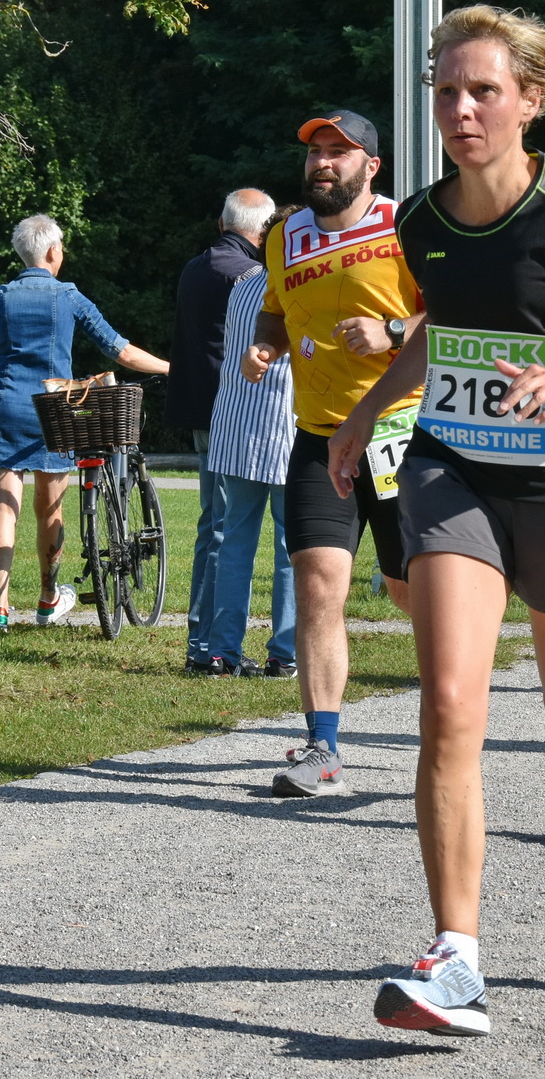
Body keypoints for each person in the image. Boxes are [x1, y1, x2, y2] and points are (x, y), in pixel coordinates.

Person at [327, 7, 545, 1036]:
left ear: (531, 100)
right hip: (453, 470)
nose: (461, 108)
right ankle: (456, 959)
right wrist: (361, 417)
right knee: (448, 704)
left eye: (482, 90)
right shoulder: (422, 218)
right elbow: (439, 332)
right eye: (446, 90)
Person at [243, 112, 423, 795]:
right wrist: (267, 344)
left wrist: (392, 329)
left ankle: (453, 709)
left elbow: (455, 312)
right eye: (316, 152)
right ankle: (322, 745)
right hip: (320, 435)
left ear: (371, 166)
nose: (323, 163)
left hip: (403, 432)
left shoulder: (407, 225)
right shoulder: (286, 237)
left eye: (338, 153)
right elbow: (276, 311)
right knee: (318, 584)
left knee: (414, 591)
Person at [0, 215, 169, 633]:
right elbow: (121, 352)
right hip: (55, 409)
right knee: (50, 509)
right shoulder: (68, 296)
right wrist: (175, 368)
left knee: (4, 506)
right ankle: (48, 599)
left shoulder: (1, 297)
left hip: (7, 406)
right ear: (52, 251)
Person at [170, 190, 276, 673]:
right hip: (237, 414)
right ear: (265, 229)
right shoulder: (250, 276)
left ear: (222, 222)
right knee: (222, 529)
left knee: (213, 525)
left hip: (200, 409)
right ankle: (208, 644)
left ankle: (202, 640)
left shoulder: (196, 266)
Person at [203, 205, 299, 678]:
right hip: (287, 431)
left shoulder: (242, 286)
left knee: (234, 542)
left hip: (238, 429)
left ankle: (221, 651)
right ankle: (284, 652)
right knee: (291, 549)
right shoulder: (302, 289)